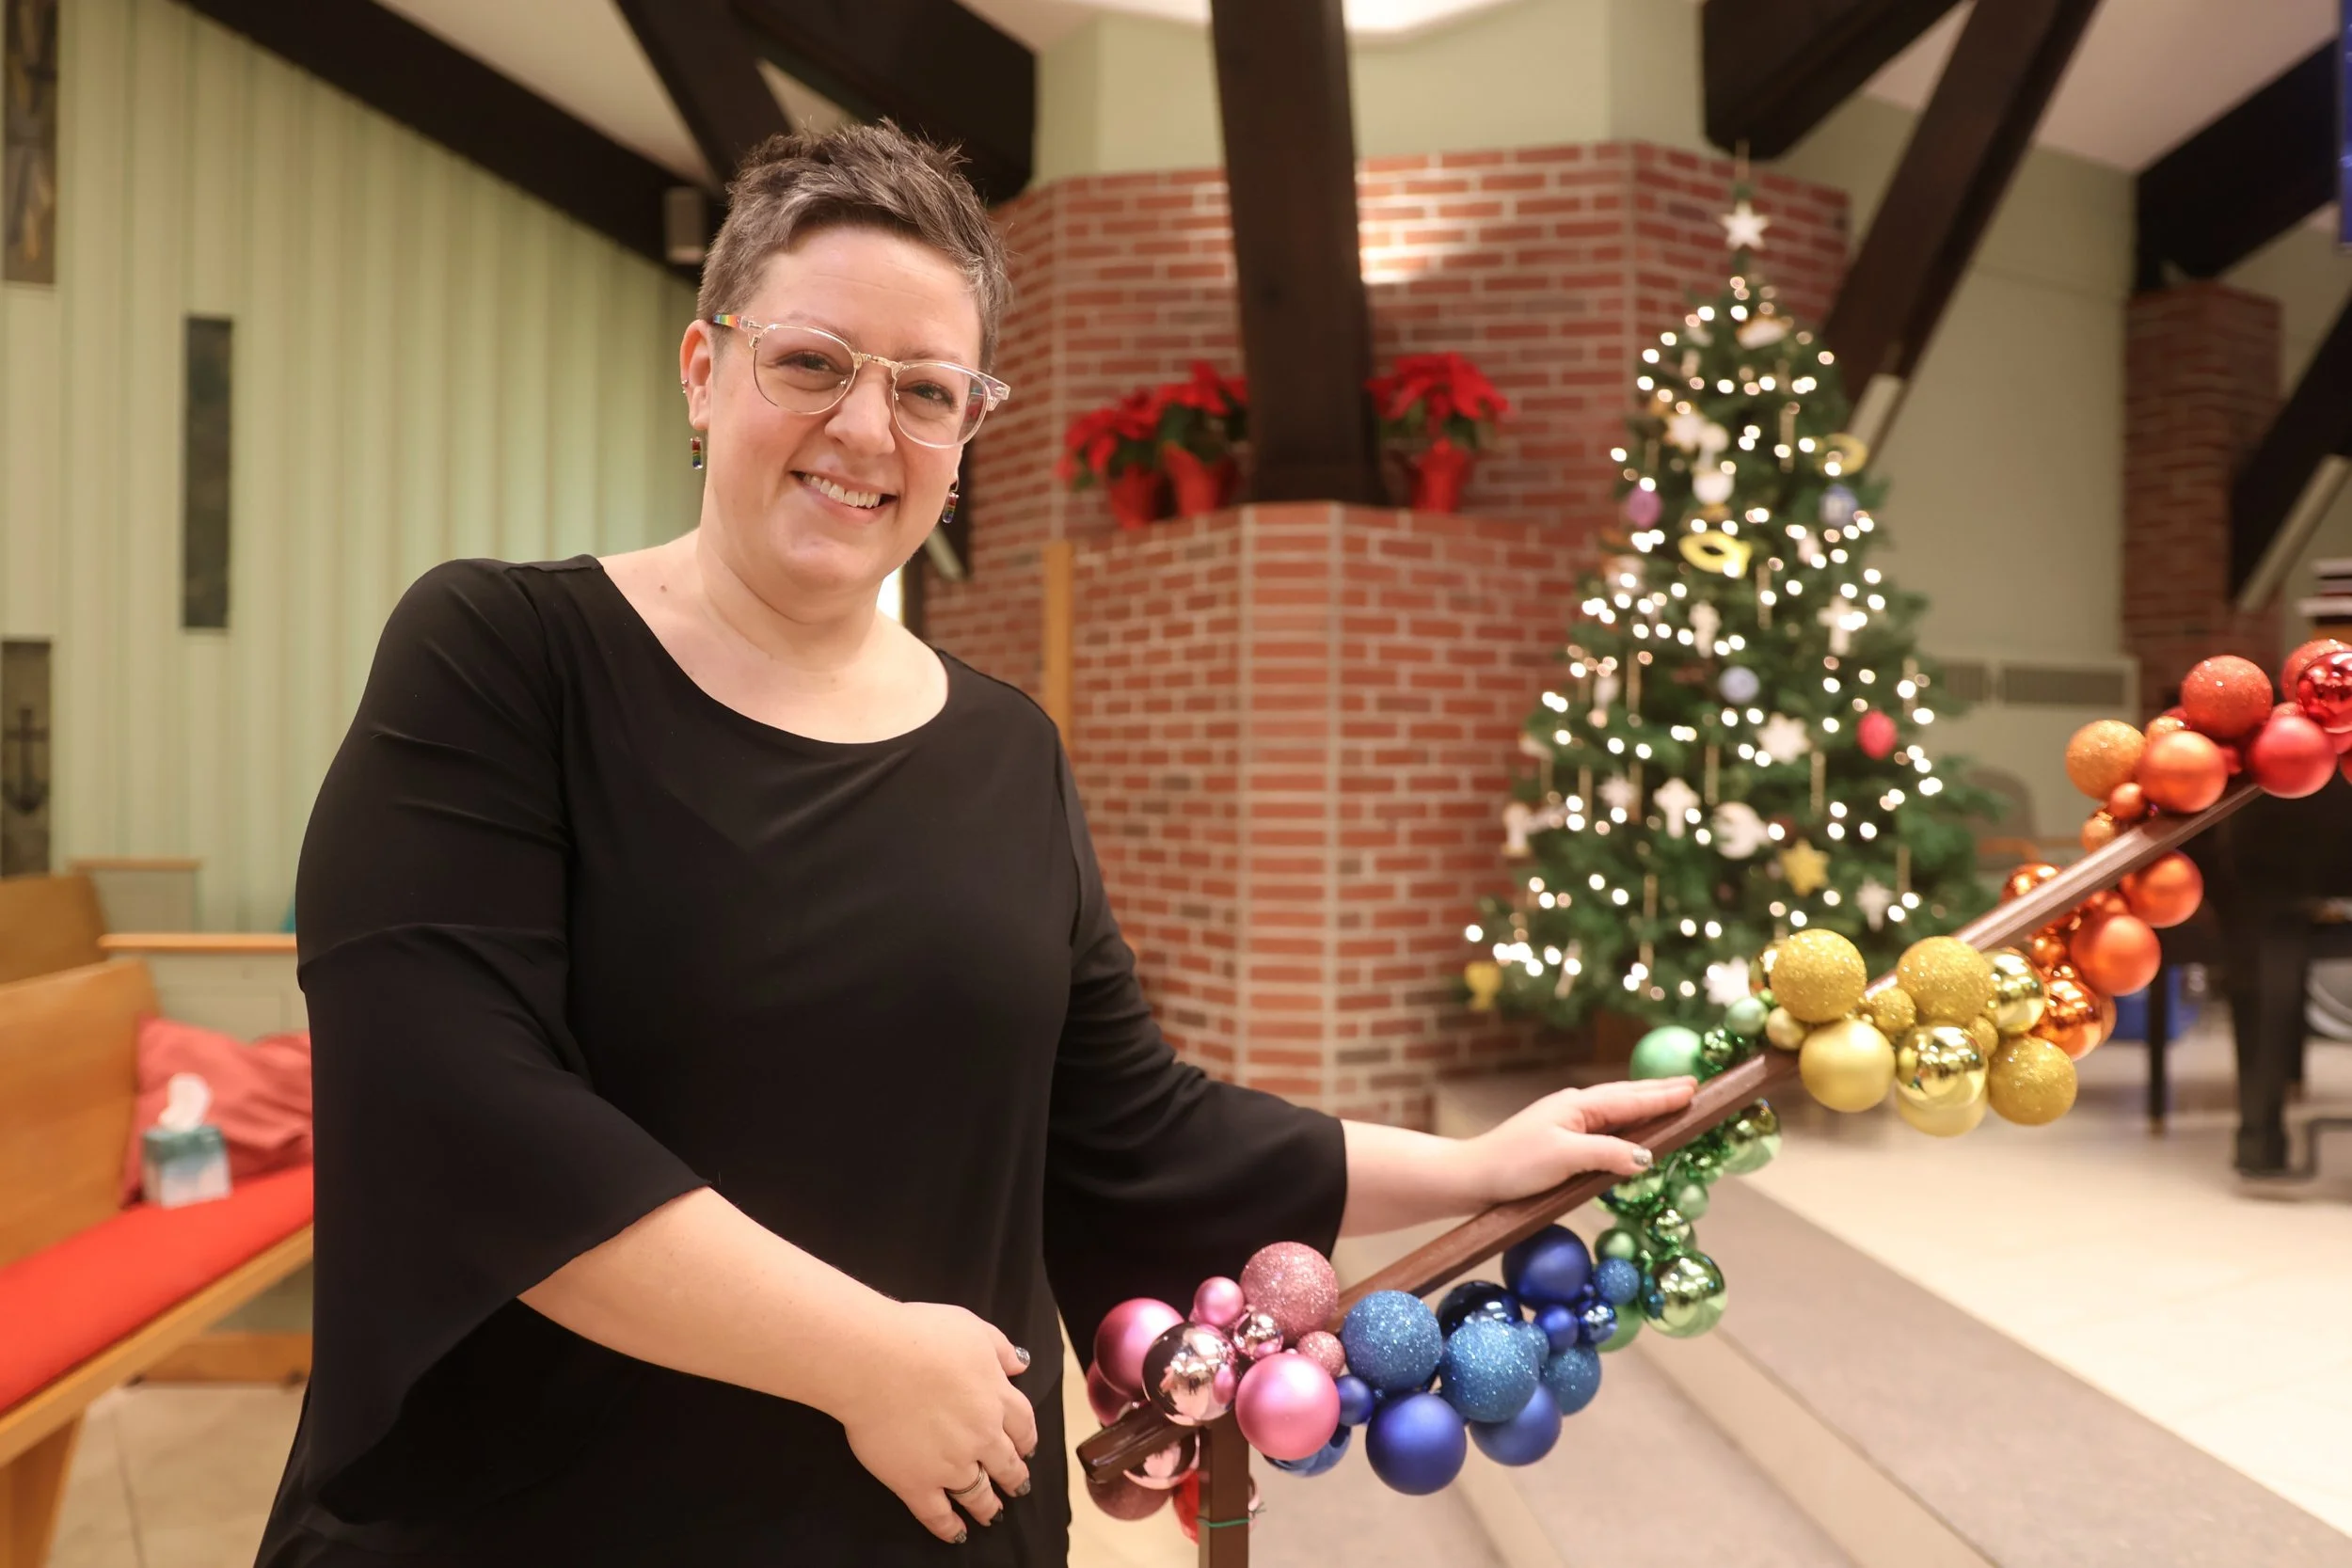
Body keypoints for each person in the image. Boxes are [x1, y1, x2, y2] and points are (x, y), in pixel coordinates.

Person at [255, 124, 1692, 1567]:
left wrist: (1477, 1165)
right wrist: (862, 1357)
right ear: (704, 369)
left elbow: (1134, 1122)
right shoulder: (502, 655)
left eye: (927, 391)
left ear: (964, 437)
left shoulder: (1006, 748)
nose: (867, 430)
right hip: (543, 1522)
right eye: (812, 361)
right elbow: (461, 1112)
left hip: (911, 1527)